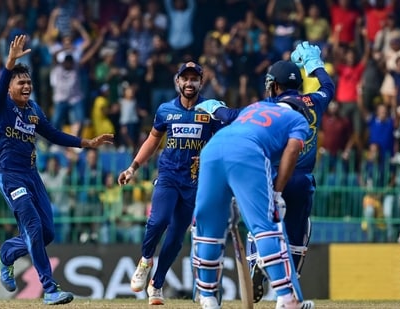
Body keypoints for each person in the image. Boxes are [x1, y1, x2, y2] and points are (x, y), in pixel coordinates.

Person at [195, 41, 335, 301]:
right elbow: (329, 87)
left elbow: (233, 116)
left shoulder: (264, 107)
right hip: (302, 180)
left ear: (275, 86)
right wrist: (315, 65)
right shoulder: (314, 101)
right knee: (299, 232)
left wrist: (215, 108)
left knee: (260, 225)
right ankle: (289, 293)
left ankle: (257, 262)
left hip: (271, 176)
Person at [0, 35, 113, 305]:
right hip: (9, 174)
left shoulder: (33, 109)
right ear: (10, 86)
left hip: (31, 174)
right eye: (21, 82)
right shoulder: (1, 106)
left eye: (29, 83)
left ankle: (5, 256)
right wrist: (10, 62)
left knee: (46, 234)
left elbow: (53, 134)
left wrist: (86, 142)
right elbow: (0, 85)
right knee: (32, 225)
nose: (26, 86)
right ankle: (50, 288)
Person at [191, 96, 313, 309]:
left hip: (212, 149)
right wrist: (276, 193)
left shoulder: (255, 107)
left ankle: (208, 298)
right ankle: (286, 297)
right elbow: (293, 150)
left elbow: (225, 115)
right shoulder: (297, 120)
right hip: (248, 151)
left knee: (208, 231)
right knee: (266, 227)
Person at [117, 61, 223, 305]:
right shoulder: (165, 110)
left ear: (201, 82)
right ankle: (145, 260)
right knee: (159, 220)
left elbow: (222, 142)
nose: (189, 83)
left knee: (175, 238)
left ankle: (157, 285)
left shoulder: (210, 110)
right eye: (184, 79)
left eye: (194, 79)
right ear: (177, 82)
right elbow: (152, 142)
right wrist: (133, 167)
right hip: (168, 176)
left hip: (195, 182)